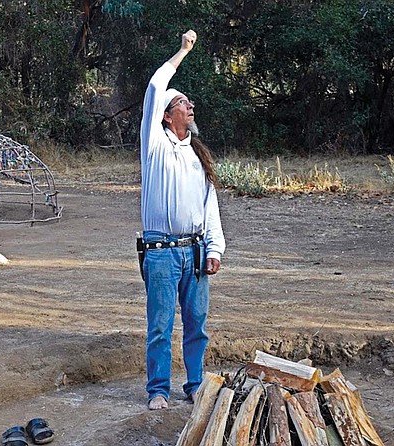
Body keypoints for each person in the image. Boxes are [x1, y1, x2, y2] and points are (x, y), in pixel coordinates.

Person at [139, 30, 225, 411]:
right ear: (165, 114)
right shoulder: (154, 145)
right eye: (181, 102)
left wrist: (214, 249)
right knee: (159, 328)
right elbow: (157, 84)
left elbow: (210, 208)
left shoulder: (198, 156)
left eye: (190, 102)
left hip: (194, 252)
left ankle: (193, 384)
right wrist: (183, 51)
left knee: (197, 326)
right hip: (159, 251)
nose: (189, 106)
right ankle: (158, 390)